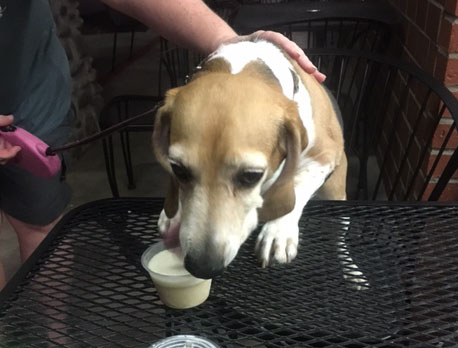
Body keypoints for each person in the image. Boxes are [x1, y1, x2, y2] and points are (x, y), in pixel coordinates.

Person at [0, 0, 325, 288]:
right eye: (182, 171)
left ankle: (50, 335)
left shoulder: (298, 114)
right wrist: (180, 196)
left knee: (39, 221)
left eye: (247, 176)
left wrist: (224, 39)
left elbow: (326, 158)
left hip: (28, 79)